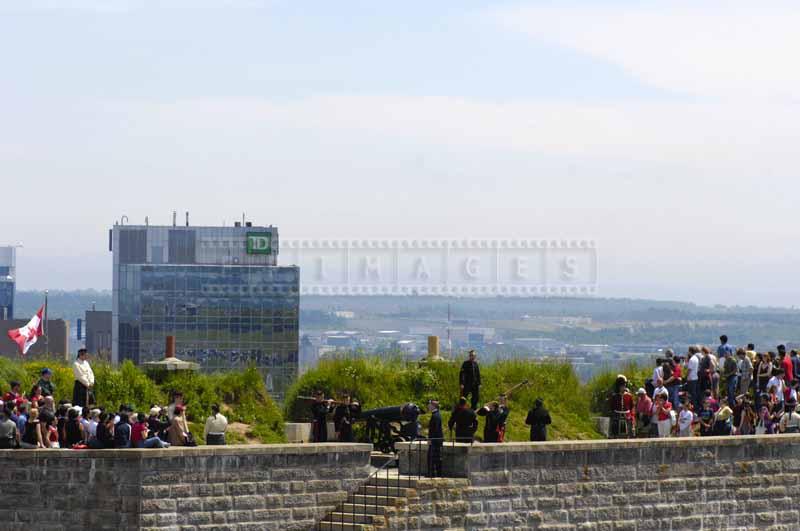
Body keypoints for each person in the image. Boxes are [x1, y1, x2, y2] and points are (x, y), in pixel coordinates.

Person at [427, 399, 443, 477]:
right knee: (434, 457)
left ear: (433, 406)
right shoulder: (436, 414)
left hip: (435, 440)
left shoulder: (436, 415)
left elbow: (435, 429)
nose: (428, 406)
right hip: (436, 440)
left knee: (433, 457)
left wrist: (431, 439)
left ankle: (433, 473)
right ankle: (433, 473)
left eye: (429, 405)